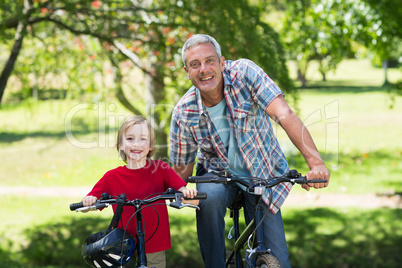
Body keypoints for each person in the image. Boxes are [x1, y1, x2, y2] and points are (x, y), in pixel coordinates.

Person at [169, 34, 330, 268]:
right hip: (217, 175)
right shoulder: (184, 111)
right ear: (187, 71)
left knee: (278, 260)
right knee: (209, 199)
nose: (204, 69)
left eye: (210, 61)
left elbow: (284, 114)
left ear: (222, 62)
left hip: (262, 171)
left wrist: (316, 164)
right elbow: (181, 170)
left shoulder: (245, 73)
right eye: (195, 64)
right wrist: (177, 189)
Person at [82, 115, 198, 268]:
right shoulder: (112, 177)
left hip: (154, 242)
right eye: (130, 138)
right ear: (121, 145)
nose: (136, 144)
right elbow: (90, 202)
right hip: (122, 245)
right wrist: (89, 201)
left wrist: (185, 192)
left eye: (143, 139)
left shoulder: (161, 169)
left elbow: (180, 188)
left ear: (151, 145)